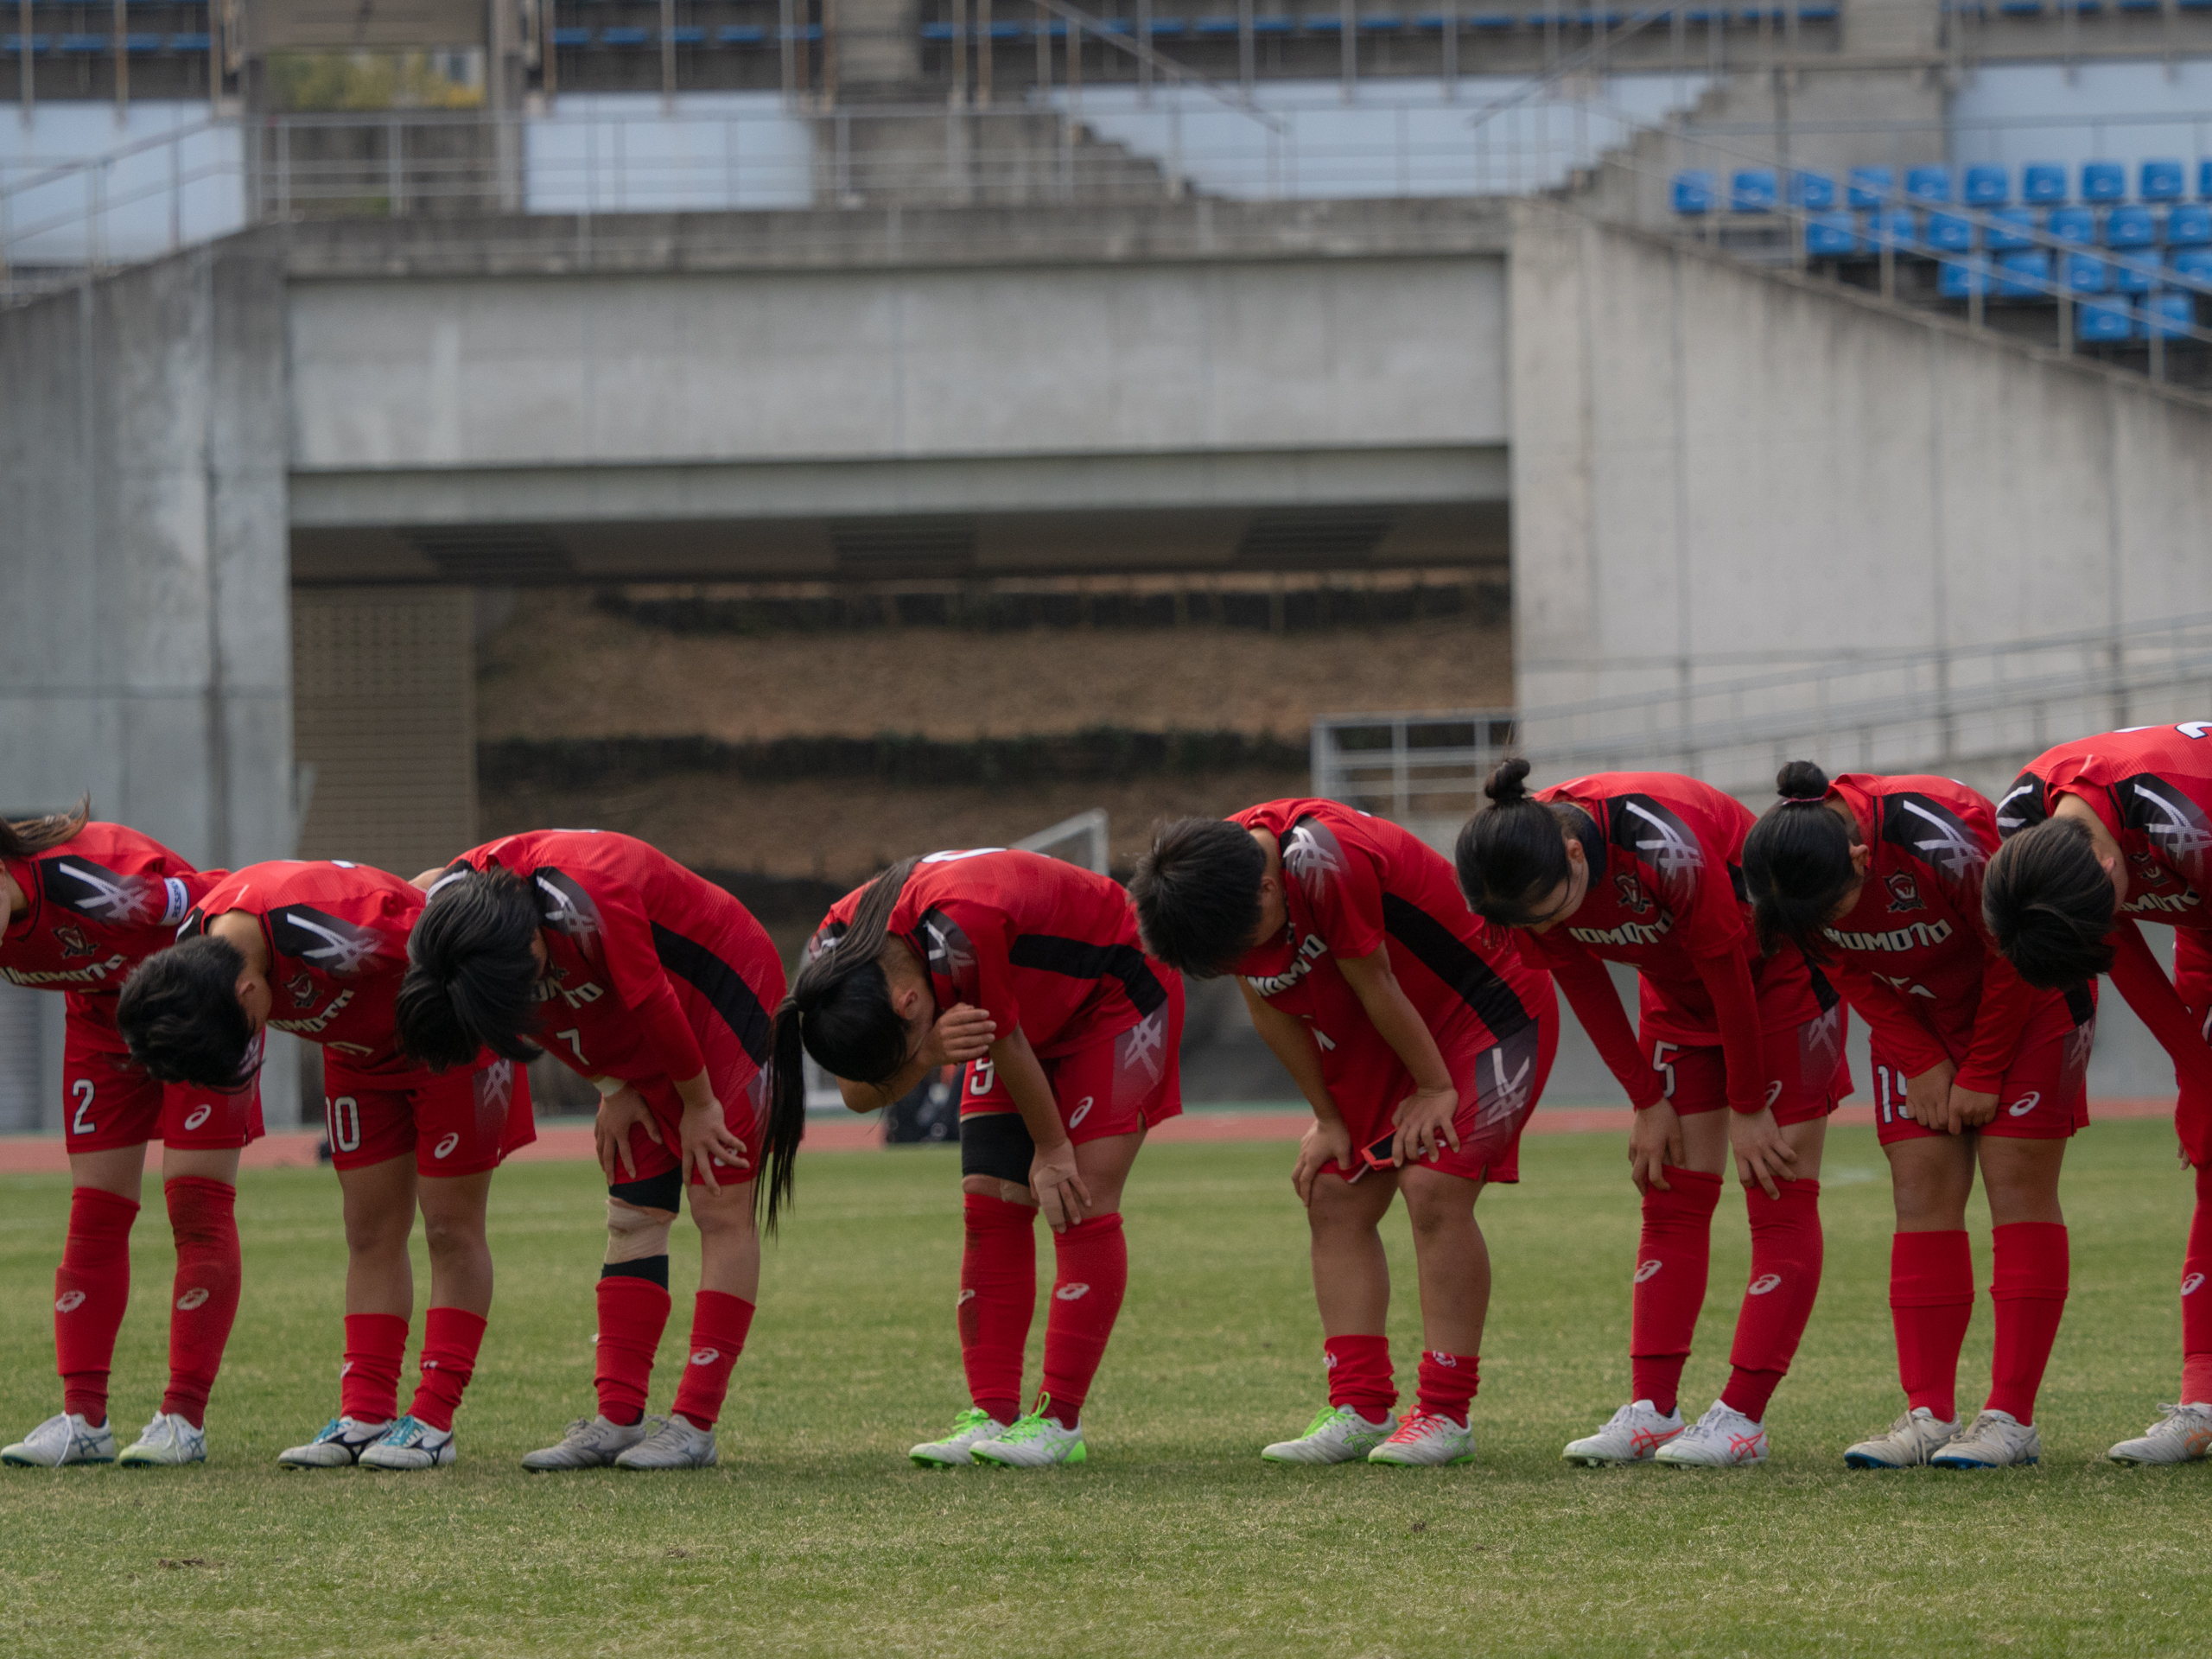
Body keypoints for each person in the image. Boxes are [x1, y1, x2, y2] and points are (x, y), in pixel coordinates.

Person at [1132, 802, 1557, 1469]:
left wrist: (1435, 1087)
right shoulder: (1219, 875)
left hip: (1484, 1010)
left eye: (1249, 943)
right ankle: (1360, 1406)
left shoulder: (1321, 861)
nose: (1251, 958)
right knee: (1332, 1193)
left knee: (1433, 1184)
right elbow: (1268, 1005)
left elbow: (1377, 978)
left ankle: (1445, 1414)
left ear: (1269, 890)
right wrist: (1329, 1119)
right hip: (1387, 1031)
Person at [1457, 760, 1849, 1468]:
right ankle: (1654, 1408)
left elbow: (1730, 966)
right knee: (1667, 1191)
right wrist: (1645, 1098)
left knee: (1777, 1191)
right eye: (1537, 921)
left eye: (1557, 906)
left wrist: (1749, 1103)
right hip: (1676, 998)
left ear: (1576, 853)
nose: (1556, 924)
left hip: (1778, 986)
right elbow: (1582, 978)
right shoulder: (1520, 870)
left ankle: (1742, 1418)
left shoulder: (1660, 842)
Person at [114, 860, 532, 1471]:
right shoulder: (197, 954)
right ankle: (365, 1412)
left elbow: (448, 901)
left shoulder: (334, 928)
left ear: (248, 993)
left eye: (250, 1030)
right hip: (358, 1061)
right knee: (368, 1233)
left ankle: (434, 1420)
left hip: (451, 1047)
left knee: (449, 1227)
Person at [778, 848, 1183, 1470]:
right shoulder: (834, 951)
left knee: (1077, 1200)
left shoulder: (960, 925)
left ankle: (1057, 1423)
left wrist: (1052, 1150)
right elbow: (860, 1094)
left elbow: (1004, 1036)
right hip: (1018, 1015)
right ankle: (992, 1414)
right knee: (990, 1200)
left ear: (909, 1003)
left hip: (1116, 992)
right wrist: (922, 1055)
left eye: (909, 1040)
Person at [397, 830, 787, 1472]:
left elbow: (652, 996)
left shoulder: (590, 888)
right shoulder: (449, 926)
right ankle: (619, 1419)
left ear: (526, 934)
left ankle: (694, 1425)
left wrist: (698, 1104)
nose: (533, 989)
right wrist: (613, 1084)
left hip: (716, 999)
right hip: (629, 1022)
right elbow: (542, 1011)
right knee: (632, 1213)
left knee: (720, 1204)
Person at [1743, 761, 2094, 1470]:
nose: (1827, 928)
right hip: (1918, 1025)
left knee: (2016, 1183)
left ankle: (2011, 1420)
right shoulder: (1790, 873)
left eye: (1834, 911)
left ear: (1862, 860)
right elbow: (1842, 969)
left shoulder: (1945, 835)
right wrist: (1924, 1063)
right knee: (1918, 1190)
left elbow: (2013, 947)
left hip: (2028, 1003)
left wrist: (1985, 1068)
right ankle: (1929, 1414)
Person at [0, 804, 261, 1470]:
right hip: (97, 1021)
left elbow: (220, 904)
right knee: (94, 1213)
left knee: (196, 1203)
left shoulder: (90, 884)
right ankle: (83, 1420)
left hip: (196, 1007)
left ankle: (183, 1420)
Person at [1982, 722, 2212, 1464]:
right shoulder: (2023, 825)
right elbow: (2119, 950)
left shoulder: (2187, 815)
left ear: (2114, 859)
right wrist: (2196, 1080)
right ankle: (2205, 1399)